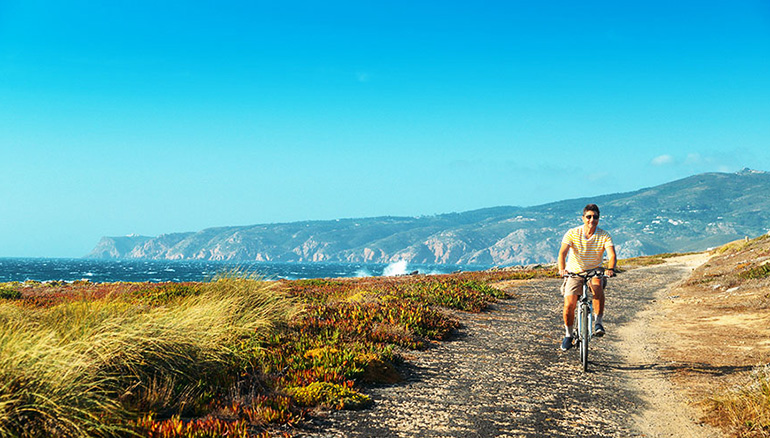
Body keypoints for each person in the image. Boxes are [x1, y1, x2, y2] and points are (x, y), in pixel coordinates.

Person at [557, 204, 616, 351]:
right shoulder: (572, 233)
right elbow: (562, 253)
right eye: (588, 217)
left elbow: (612, 254)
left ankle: (598, 322)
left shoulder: (604, 235)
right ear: (583, 218)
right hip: (574, 272)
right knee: (569, 305)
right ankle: (568, 335)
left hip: (594, 271)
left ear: (598, 218)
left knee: (597, 287)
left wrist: (610, 268)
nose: (592, 220)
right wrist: (561, 269)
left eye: (595, 217)